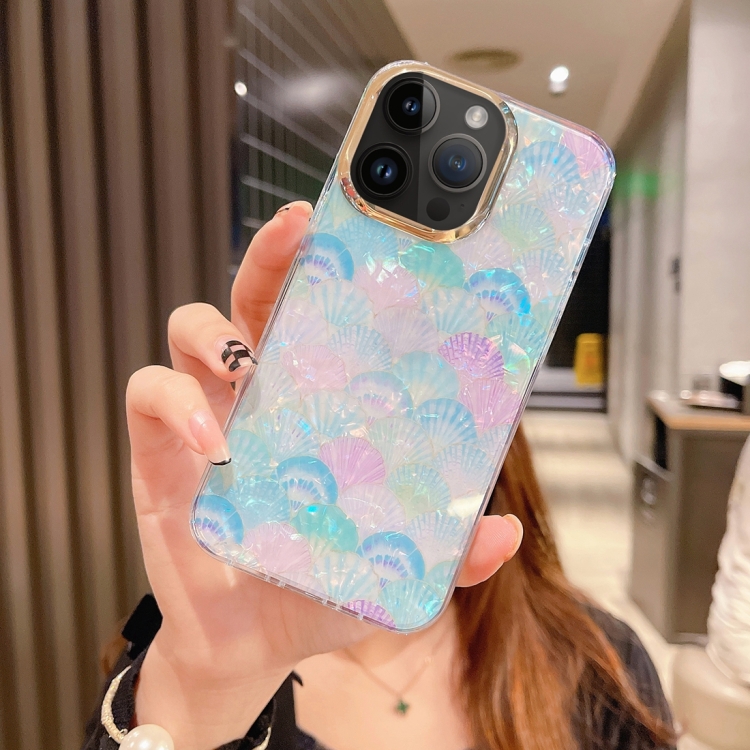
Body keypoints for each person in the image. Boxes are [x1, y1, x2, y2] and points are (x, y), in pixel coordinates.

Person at [84, 201, 675, 750]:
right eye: (348, 364)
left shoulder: (602, 671)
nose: (380, 418)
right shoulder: (178, 660)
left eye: (420, 369)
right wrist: (207, 684)